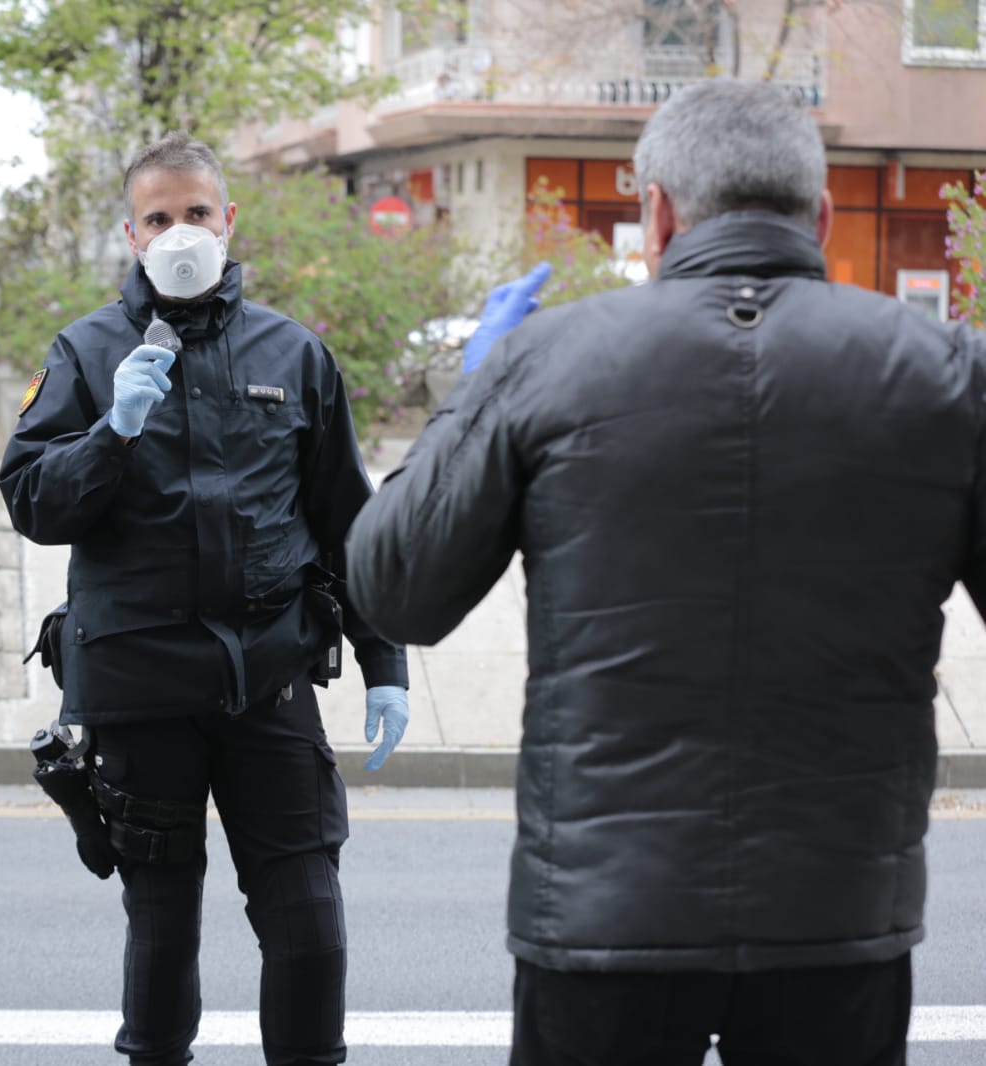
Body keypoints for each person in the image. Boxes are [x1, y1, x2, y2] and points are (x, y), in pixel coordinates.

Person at [345, 76, 978, 1066]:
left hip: (603, 917)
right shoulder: (944, 371)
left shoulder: (549, 360)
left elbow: (394, 590)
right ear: (818, 215)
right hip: (838, 911)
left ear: (659, 211)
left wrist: (470, 391)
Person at [0, 131, 410, 1066]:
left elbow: (349, 523)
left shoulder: (295, 354)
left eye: (195, 214)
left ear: (228, 222)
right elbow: (32, 504)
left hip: (267, 677)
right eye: (158, 218)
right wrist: (111, 431)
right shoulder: (83, 352)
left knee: (309, 923)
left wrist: (384, 662)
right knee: (161, 921)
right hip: (138, 687)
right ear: (131, 234)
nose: (179, 232)